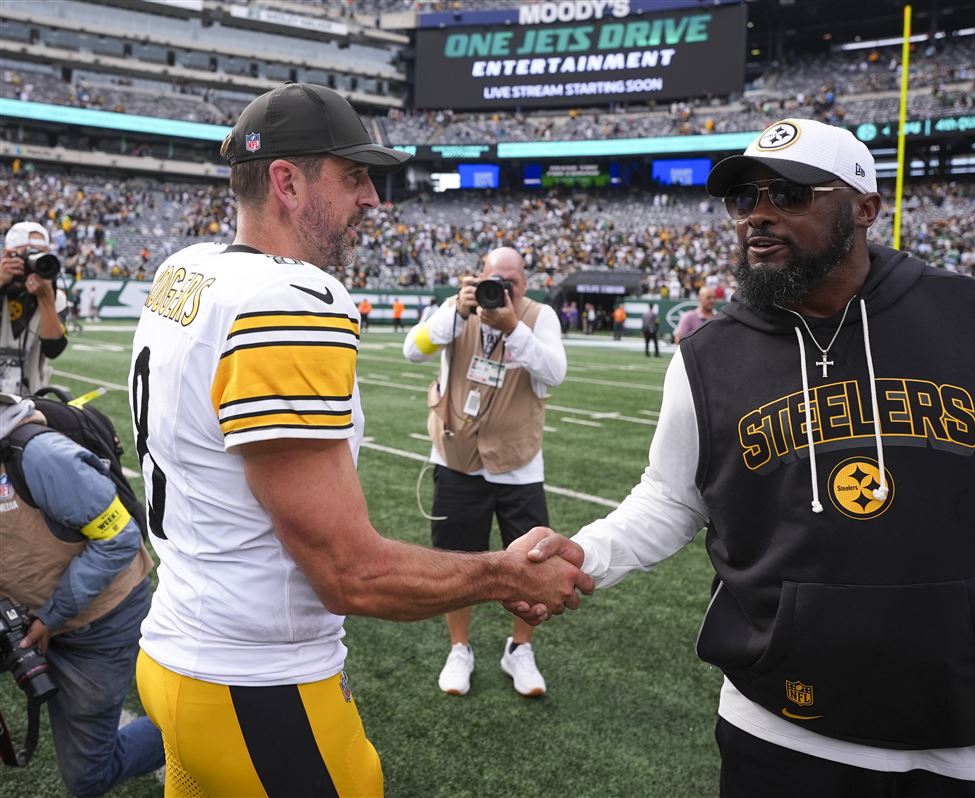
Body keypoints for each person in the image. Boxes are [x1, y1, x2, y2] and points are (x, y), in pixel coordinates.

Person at [513, 118, 975, 797]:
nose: (758, 214)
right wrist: (588, 554)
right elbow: (672, 497)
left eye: (789, 193)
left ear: (865, 208)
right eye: (744, 197)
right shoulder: (709, 355)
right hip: (779, 721)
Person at [128, 83, 591, 795]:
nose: (371, 198)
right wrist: (503, 573)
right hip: (255, 682)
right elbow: (348, 571)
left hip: (174, 652)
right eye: (352, 176)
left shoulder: (184, 271)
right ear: (286, 181)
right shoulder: (287, 296)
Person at [403, 246, 567, 698]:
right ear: (478, 278)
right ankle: (460, 648)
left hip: (518, 464)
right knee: (457, 562)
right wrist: (455, 313)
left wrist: (513, 329)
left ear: (525, 284)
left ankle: (520, 649)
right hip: (458, 459)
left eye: (510, 283)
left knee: (533, 566)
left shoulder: (539, 317)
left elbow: (555, 374)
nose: (501, 291)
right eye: (494, 281)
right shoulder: (456, 310)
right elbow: (412, 351)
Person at [0, 393, 164, 796]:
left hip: (97, 620)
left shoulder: (39, 456)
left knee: (87, 776)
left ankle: (202, 725)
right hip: (27, 613)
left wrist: (50, 618)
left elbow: (120, 538)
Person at [0, 222, 69, 395]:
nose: (35, 261)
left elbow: (53, 349)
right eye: (29, 253)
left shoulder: (55, 297)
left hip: (30, 400)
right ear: (8, 254)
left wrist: (46, 298)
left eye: (41, 255)